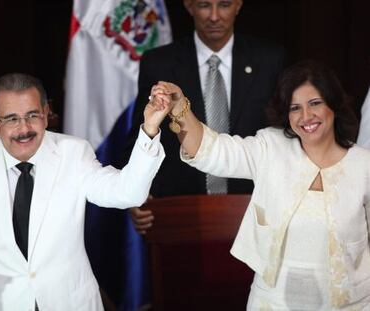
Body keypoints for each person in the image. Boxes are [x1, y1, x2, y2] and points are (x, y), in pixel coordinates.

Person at [149, 60, 370, 309]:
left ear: (333, 104)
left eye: (315, 103)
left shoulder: (364, 165)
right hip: (272, 303)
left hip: (352, 305)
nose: (306, 116)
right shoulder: (270, 147)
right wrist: (180, 107)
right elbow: (211, 151)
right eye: (295, 108)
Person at [0, 73, 168, 311]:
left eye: (32, 115)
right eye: (11, 119)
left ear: (46, 114)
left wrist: (149, 130)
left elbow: (127, 194)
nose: (24, 128)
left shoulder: (74, 153)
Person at [127, 0, 286, 233]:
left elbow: (283, 137)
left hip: (254, 213)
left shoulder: (269, 60)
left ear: (239, 5)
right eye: (204, 5)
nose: (214, 16)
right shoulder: (159, 62)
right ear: (189, 6)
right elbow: (141, 134)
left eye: (224, 5)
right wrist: (135, 192)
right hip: (178, 212)